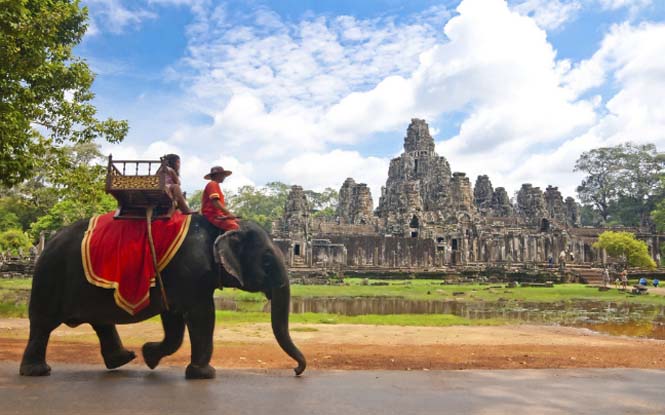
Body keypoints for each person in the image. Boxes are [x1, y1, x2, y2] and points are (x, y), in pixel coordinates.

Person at [201, 166, 239, 232]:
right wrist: (229, 213)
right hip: (212, 215)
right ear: (218, 175)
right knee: (234, 227)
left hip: (218, 214)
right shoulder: (213, 184)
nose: (224, 177)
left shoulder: (215, 185)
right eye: (223, 175)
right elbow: (215, 202)